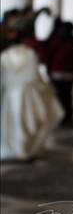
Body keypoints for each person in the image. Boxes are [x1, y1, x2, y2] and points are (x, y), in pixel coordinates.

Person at [1, 16, 63, 161]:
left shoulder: (5, 56)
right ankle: (24, 149)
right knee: (26, 121)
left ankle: (18, 148)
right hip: (27, 93)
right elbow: (34, 77)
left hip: (12, 94)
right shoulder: (29, 54)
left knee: (14, 122)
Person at [44, 21, 73, 127]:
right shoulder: (72, 42)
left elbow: (48, 56)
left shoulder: (60, 41)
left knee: (61, 95)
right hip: (64, 73)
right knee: (66, 95)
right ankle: (66, 116)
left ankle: (64, 116)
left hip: (61, 73)